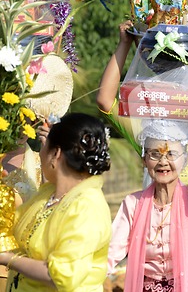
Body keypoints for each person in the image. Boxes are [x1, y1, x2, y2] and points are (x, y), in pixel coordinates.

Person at [107, 89, 188, 291]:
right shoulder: (133, 204)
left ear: (184, 160)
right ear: (144, 161)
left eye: (171, 154)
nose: (163, 162)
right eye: (155, 154)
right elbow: (110, 253)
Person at [0, 113, 112, 291]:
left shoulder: (86, 207)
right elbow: (14, 228)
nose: (40, 152)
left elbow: (60, 276)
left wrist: (7, 259)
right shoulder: (48, 193)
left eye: (45, 147)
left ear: (56, 153)